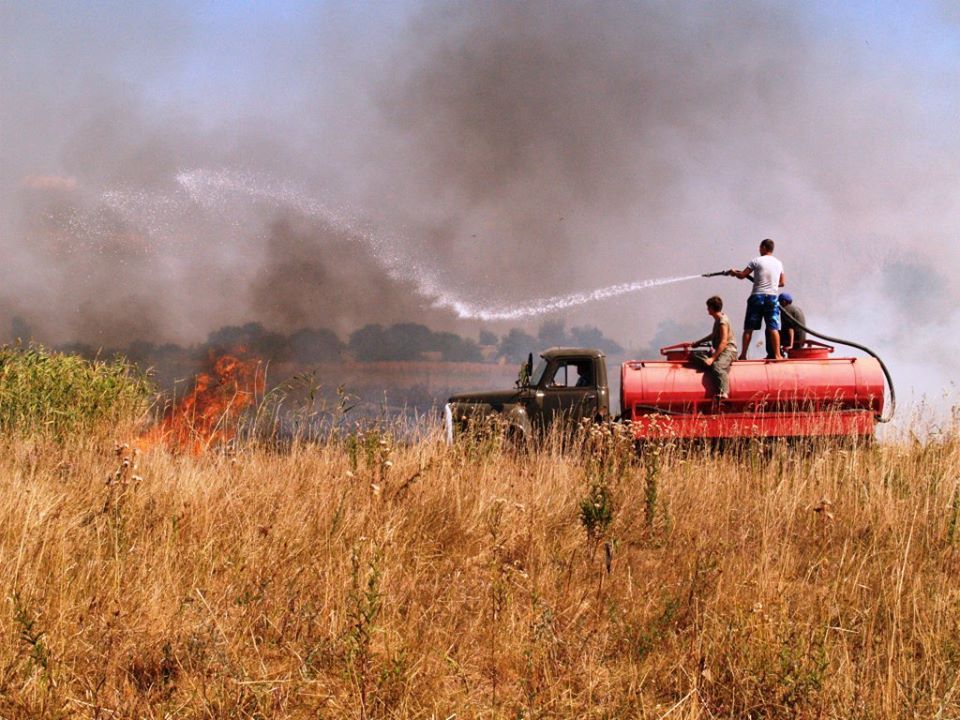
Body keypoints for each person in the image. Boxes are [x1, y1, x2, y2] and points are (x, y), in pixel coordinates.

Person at [728, 238, 785, 360]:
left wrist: (734, 272)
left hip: (757, 297)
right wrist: (771, 283)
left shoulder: (756, 261)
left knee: (749, 328)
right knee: (773, 327)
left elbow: (742, 275)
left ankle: (743, 355)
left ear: (764, 247)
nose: (759, 249)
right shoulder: (779, 263)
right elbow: (782, 283)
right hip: (772, 298)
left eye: (760, 247)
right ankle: (778, 355)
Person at [691, 295, 738, 400]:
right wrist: (698, 342)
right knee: (695, 355)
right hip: (721, 349)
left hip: (728, 350)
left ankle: (724, 392)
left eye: (708, 307)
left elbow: (724, 342)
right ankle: (709, 366)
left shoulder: (722, 322)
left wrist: (712, 358)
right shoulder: (718, 319)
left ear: (712, 308)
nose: (707, 309)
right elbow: (713, 335)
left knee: (718, 366)